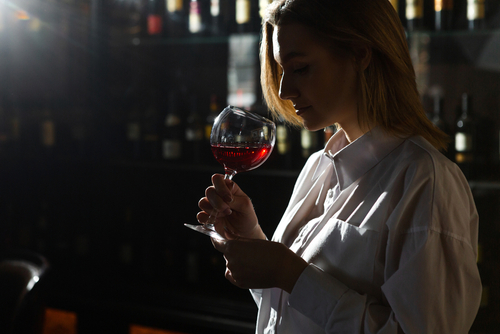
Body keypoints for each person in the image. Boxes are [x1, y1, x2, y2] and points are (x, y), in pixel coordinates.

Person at [196, 0, 482, 333]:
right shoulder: (317, 168)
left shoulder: (426, 181)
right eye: (280, 69)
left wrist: (288, 272)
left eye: (300, 68)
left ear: (360, 53)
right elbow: (292, 315)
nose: (285, 90)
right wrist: (254, 241)